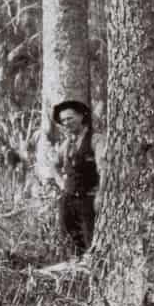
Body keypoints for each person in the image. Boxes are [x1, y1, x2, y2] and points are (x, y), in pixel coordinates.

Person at [52, 99, 99, 255]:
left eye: (70, 118)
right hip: (68, 199)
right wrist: (61, 183)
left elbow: (105, 169)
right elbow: (54, 165)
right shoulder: (66, 144)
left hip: (88, 199)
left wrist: (101, 194)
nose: (66, 123)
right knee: (70, 241)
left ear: (81, 116)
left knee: (90, 241)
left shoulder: (96, 139)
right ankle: (75, 272)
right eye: (63, 120)